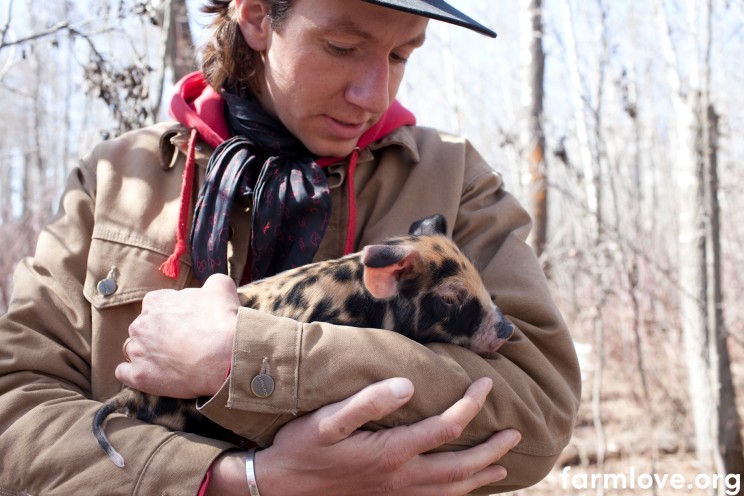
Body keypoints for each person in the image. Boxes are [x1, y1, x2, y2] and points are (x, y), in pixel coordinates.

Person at [0, 0, 581, 494]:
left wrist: (245, 356)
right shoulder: (116, 179)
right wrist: (240, 478)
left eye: (402, 54)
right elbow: (16, 413)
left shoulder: (452, 180)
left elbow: (536, 413)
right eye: (342, 46)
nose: (372, 94)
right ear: (256, 16)